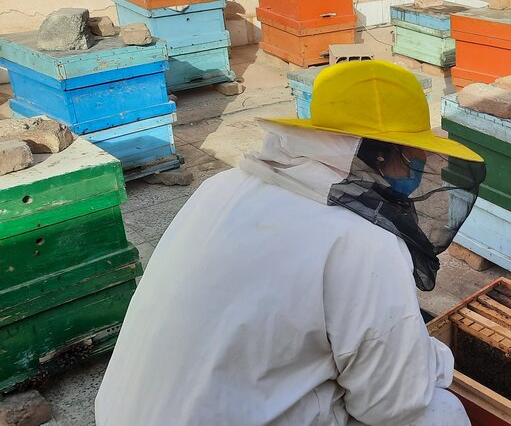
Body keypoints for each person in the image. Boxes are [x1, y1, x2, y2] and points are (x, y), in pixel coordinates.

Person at [96, 61, 487, 425]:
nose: (421, 162)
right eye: (414, 150)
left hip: (123, 411)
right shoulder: (364, 242)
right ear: (382, 155)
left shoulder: (221, 186)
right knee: (439, 410)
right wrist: (434, 359)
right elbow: (390, 403)